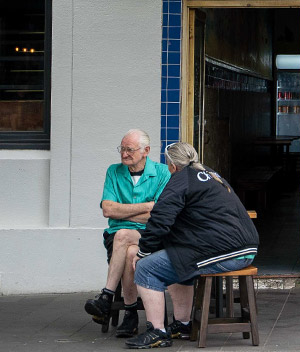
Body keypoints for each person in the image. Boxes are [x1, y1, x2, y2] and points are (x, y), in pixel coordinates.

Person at [123, 142, 259, 349]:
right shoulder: (211, 175)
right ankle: (183, 325)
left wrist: (142, 252)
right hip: (245, 247)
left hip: (228, 252)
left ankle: (157, 331)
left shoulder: (180, 179)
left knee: (146, 268)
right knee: (178, 259)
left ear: (172, 166)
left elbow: (160, 220)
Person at [84, 129, 171, 338]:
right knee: (130, 251)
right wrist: (146, 207)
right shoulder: (114, 171)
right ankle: (130, 313)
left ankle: (107, 297)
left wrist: (122, 213)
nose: (124, 154)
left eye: (129, 150)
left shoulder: (161, 173)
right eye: (122, 149)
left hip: (151, 236)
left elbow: (159, 214)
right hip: (116, 238)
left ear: (146, 151)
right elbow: (107, 210)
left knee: (123, 234)